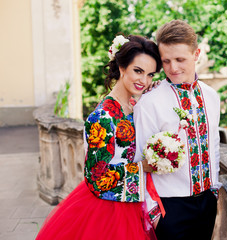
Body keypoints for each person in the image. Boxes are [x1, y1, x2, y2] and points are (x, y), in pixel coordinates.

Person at [36, 34, 162, 240]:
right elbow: (96, 177)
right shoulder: (102, 117)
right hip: (106, 210)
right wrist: (143, 167)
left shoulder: (133, 106)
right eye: (138, 71)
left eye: (150, 75)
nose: (144, 80)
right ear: (122, 68)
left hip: (133, 202)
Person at [134, 20, 221, 240]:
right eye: (166, 61)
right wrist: (154, 213)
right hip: (169, 207)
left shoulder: (212, 96)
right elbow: (139, 160)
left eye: (180, 59)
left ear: (196, 54)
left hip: (207, 201)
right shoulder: (149, 102)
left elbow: (214, 146)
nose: (173, 68)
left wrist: (215, 190)